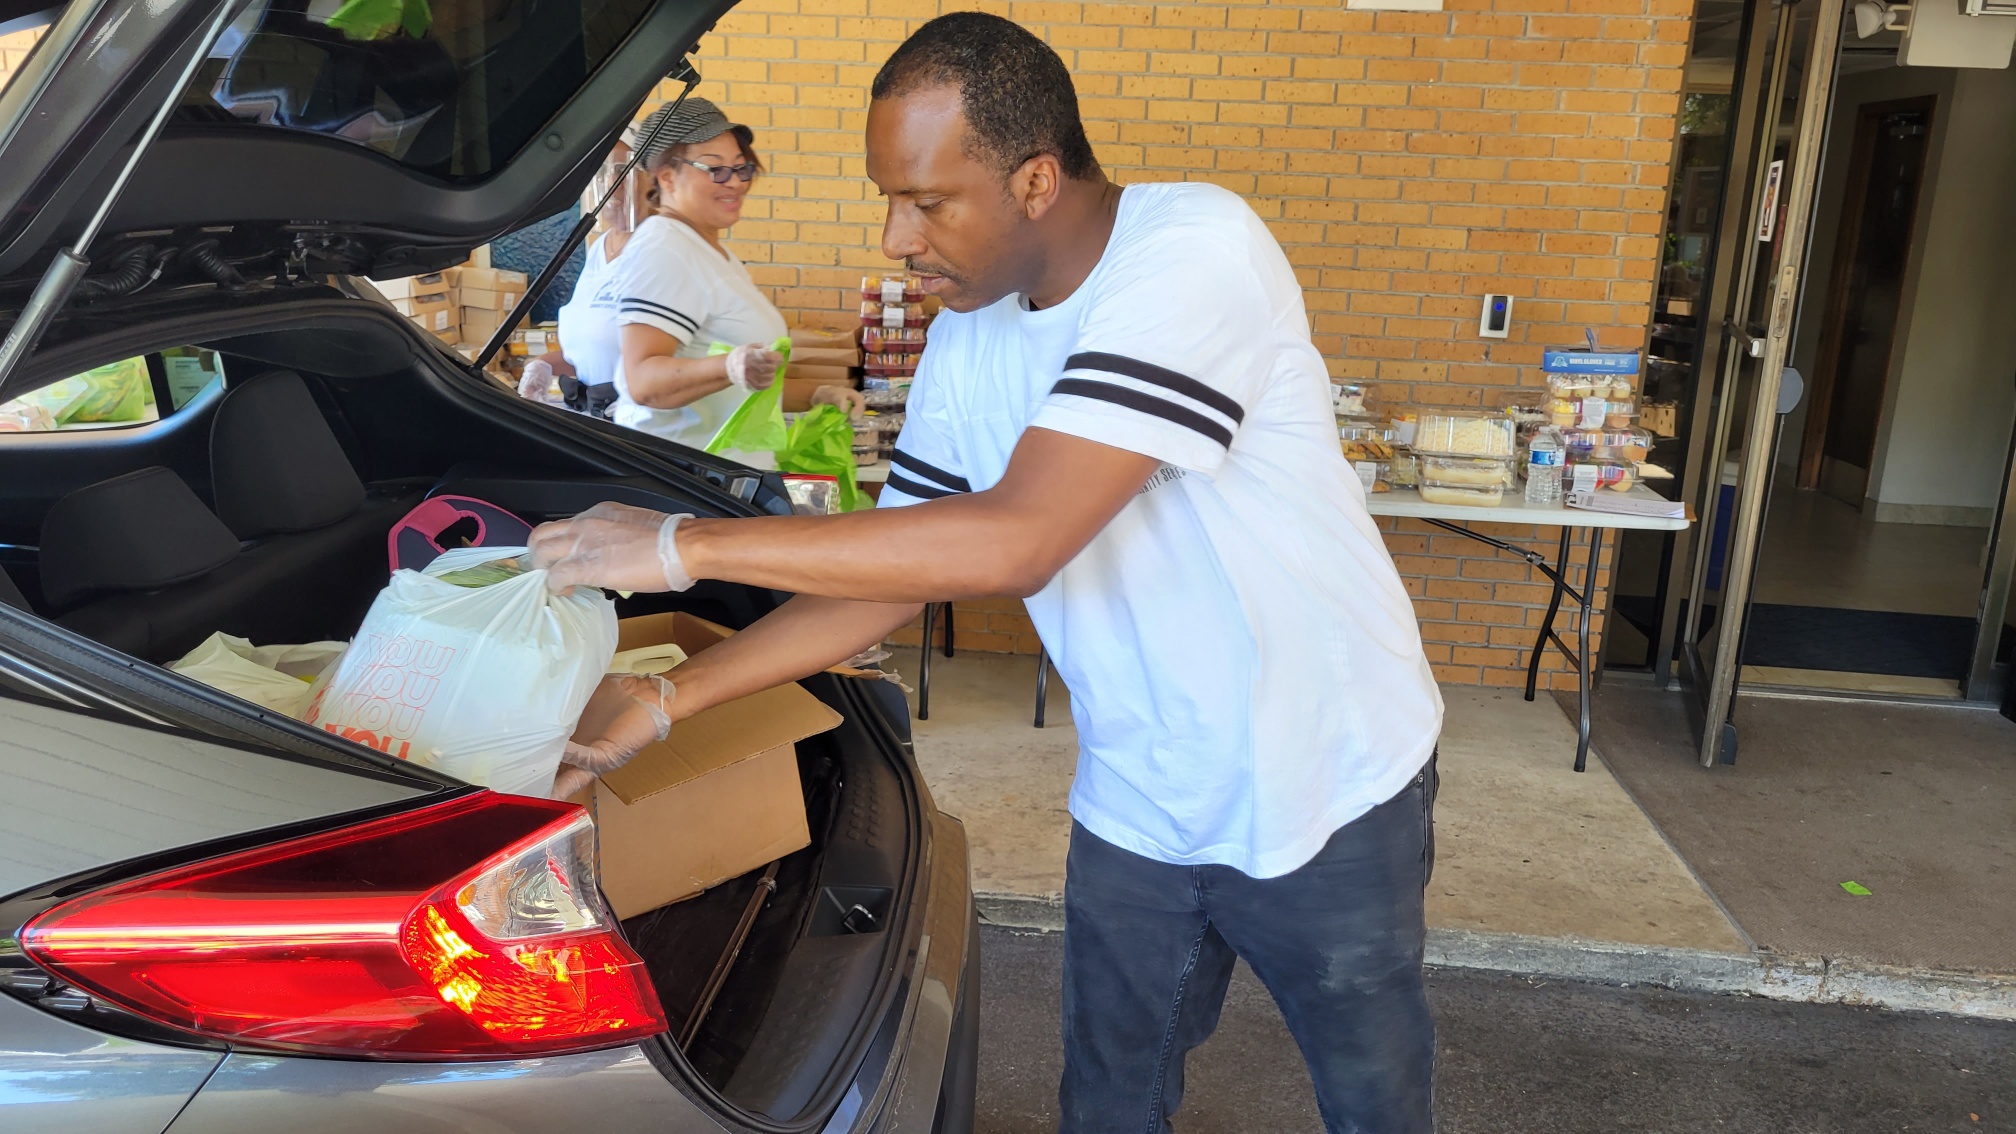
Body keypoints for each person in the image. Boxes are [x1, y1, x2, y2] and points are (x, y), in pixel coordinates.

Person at [529, 14, 1443, 1132]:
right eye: (889, 198)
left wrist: (682, 544)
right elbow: (901, 571)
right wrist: (671, 700)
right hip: (1142, 796)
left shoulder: (1196, 248)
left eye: (927, 200)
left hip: (1328, 779)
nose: (897, 236)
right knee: (1109, 1098)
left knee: (1373, 1098)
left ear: (1038, 178)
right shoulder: (972, 332)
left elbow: (1020, 537)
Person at [602, 97, 861, 464]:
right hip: (686, 479)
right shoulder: (665, 247)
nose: (735, 183)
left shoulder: (711, 254)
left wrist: (818, 393)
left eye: (742, 169)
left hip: (721, 478)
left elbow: (737, 386)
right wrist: (728, 366)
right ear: (666, 176)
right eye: (716, 169)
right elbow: (642, 382)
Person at [518, 125, 652, 417]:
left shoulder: (657, 250)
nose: (610, 183)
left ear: (651, 179)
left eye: (623, 169)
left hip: (639, 425)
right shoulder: (597, 249)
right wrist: (541, 364)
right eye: (601, 171)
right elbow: (588, 356)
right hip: (594, 420)